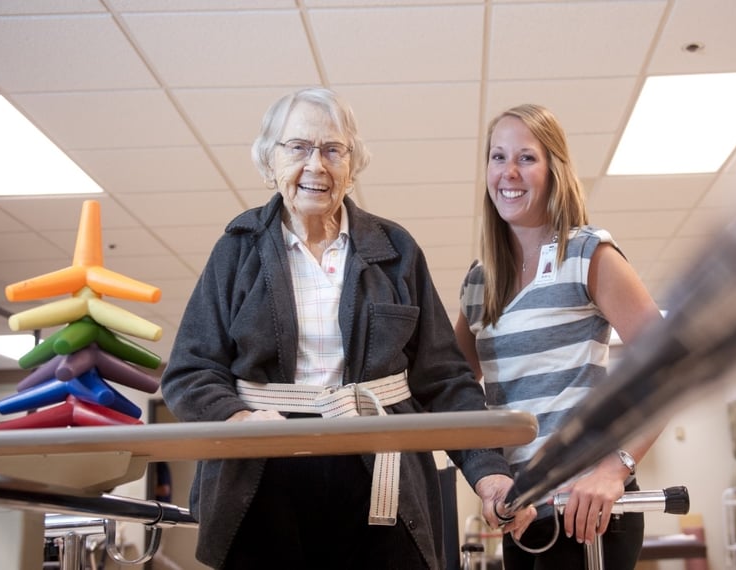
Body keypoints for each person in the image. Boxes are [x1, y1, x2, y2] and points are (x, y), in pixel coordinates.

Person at [161, 87, 532, 570]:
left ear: (352, 166)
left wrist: (489, 474)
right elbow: (189, 371)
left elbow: (445, 379)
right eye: (298, 147)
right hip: (264, 480)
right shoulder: (237, 251)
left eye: (333, 150)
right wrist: (240, 422)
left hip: (379, 476)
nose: (316, 165)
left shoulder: (395, 250)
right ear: (268, 160)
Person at [453, 103, 665, 570]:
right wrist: (487, 478)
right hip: (522, 511)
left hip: (586, 510)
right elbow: (453, 389)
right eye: (497, 157)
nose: (508, 172)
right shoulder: (479, 281)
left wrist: (615, 468)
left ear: (554, 170)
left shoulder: (587, 255)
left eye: (526, 158)